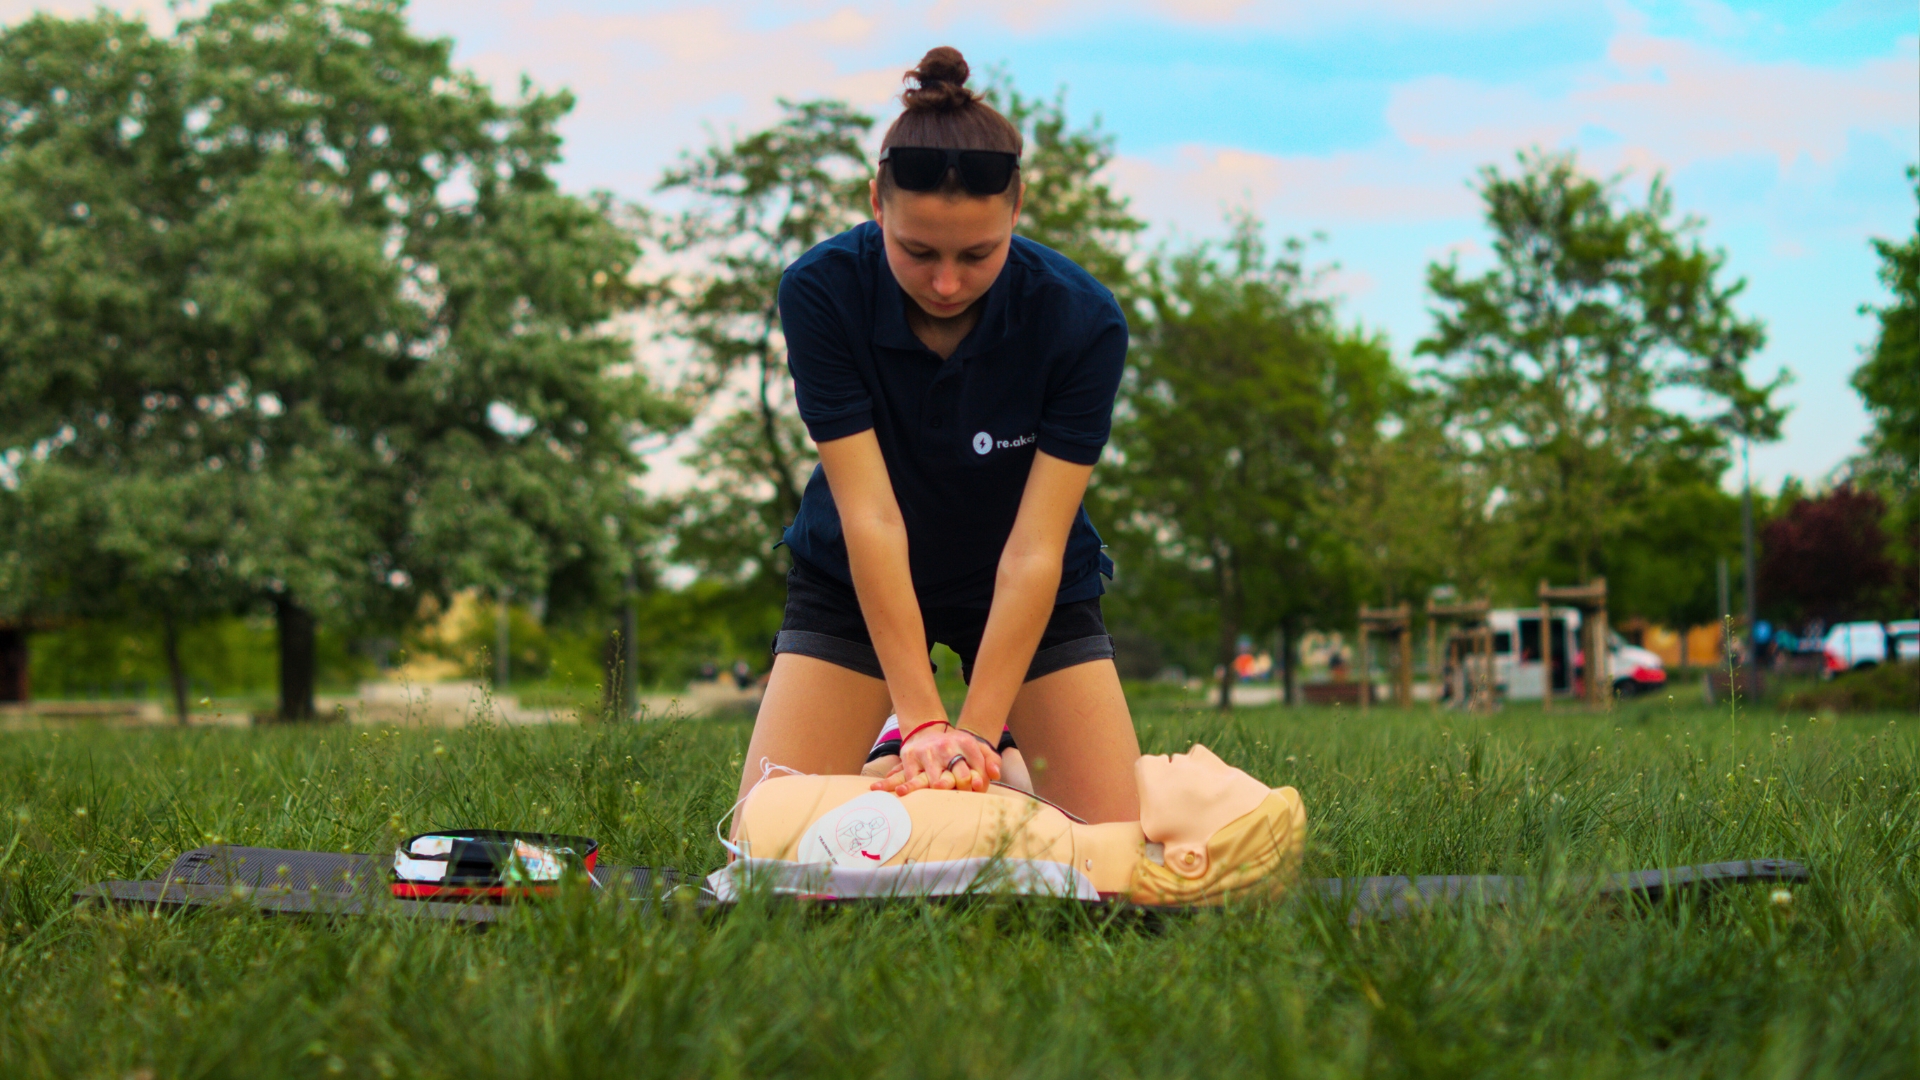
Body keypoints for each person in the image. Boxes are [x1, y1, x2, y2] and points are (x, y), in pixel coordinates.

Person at [735, 46, 1140, 822]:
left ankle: (1011, 759)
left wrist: (976, 736)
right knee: (768, 843)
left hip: (1022, 580)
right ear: (876, 205)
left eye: (977, 254)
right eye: (917, 252)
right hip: (859, 574)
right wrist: (924, 720)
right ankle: (894, 739)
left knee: (1111, 850)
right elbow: (872, 517)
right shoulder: (820, 292)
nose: (946, 283)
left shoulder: (1082, 321)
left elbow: (1034, 551)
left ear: (1016, 210)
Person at [724, 745, 1307, 906]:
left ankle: (902, 740)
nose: (1205, 750)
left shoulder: (1040, 839)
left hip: (774, 824)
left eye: (1222, 781)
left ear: (1187, 860)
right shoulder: (1044, 832)